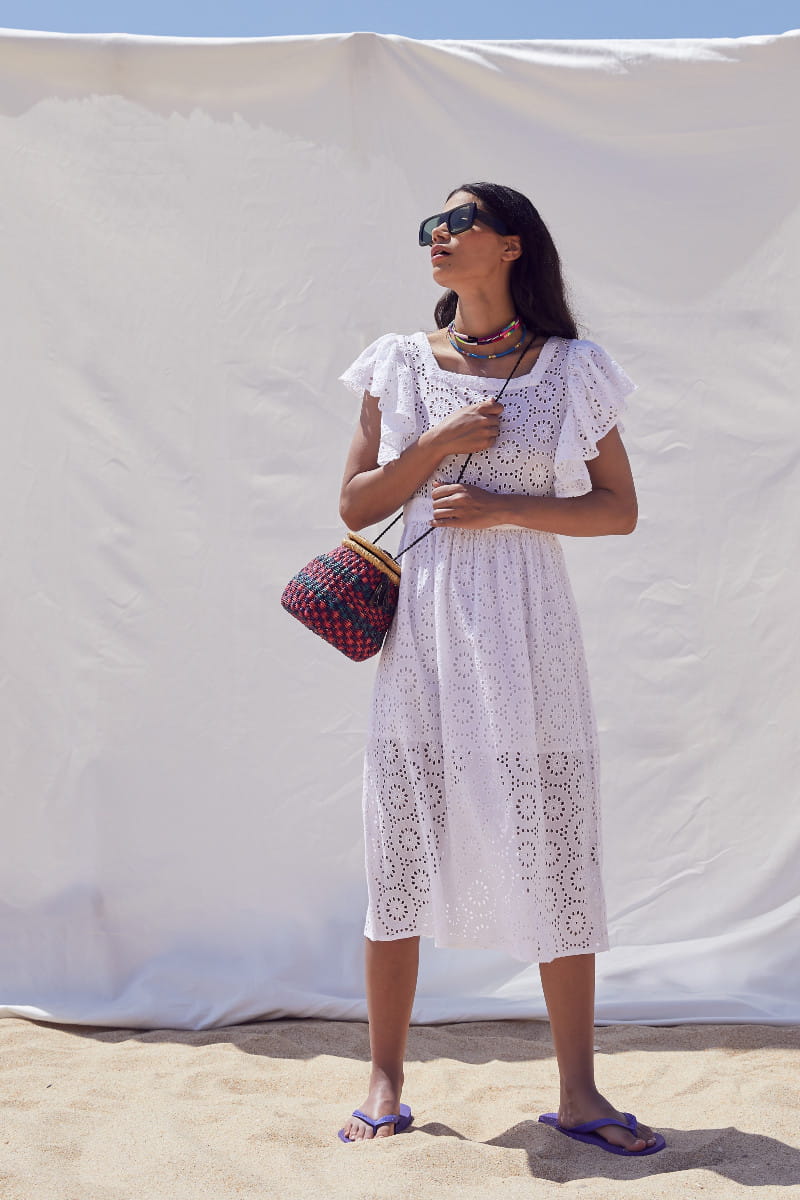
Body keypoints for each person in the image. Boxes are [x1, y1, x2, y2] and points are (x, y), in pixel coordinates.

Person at [335, 182, 664, 1155]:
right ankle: (384, 1078)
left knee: (555, 846)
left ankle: (579, 1091)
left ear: (512, 246)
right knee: (399, 847)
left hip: (530, 631)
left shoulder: (572, 369)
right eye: (429, 226)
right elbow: (355, 504)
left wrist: (506, 508)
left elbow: (617, 508)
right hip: (425, 633)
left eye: (457, 223)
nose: (437, 237)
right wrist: (436, 446)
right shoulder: (399, 363)